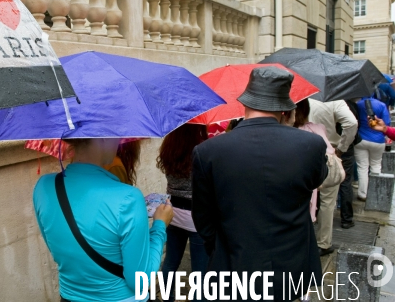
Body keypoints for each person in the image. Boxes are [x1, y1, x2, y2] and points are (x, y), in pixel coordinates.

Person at [191, 66, 327, 300]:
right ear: (286, 109)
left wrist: (219, 247)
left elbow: (203, 217)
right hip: (293, 264)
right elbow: (318, 180)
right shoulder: (310, 145)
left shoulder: (208, 151)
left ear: (244, 104)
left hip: (234, 261)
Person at [33, 138, 174, 302]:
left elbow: (59, 250)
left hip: (69, 297)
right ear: (103, 137)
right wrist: (160, 226)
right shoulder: (129, 197)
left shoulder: (43, 187)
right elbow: (139, 281)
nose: (119, 142)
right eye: (117, 135)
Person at [156, 124, 209, 302]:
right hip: (196, 217)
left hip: (172, 212)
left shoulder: (169, 148)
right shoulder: (201, 150)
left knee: (170, 261)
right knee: (200, 271)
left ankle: (166, 297)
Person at [295, 99, 343, 256]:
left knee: (304, 205)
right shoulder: (319, 128)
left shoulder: (290, 133)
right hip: (327, 171)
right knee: (328, 205)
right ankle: (324, 242)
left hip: (306, 174)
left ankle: (303, 242)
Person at [308, 99, 358, 229]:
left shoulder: (300, 98)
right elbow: (351, 123)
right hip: (329, 151)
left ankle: (305, 234)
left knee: (304, 195)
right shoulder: (336, 101)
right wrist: (342, 147)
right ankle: (323, 242)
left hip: (303, 149)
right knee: (328, 200)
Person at [355, 97, 390, 201]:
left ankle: (363, 194)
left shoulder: (358, 104)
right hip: (378, 140)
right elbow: (386, 123)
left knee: (362, 167)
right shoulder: (381, 105)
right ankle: (374, 192)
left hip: (361, 139)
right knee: (375, 165)